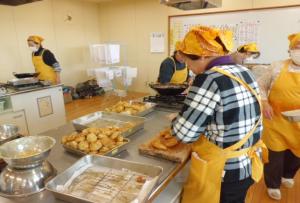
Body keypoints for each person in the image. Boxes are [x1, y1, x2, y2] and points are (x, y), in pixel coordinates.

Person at [170, 26, 267, 203]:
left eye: (189, 62)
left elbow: (184, 134)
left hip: (223, 172)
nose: (190, 68)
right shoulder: (244, 72)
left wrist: (176, 121)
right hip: (247, 164)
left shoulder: (209, 78)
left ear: (204, 56)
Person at [257, 33, 300, 200]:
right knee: (275, 155)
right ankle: (273, 183)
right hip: (275, 120)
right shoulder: (276, 67)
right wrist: (264, 103)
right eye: (296, 48)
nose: (299, 51)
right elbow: (260, 85)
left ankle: (287, 175)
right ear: (289, 51)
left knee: (297, 153)